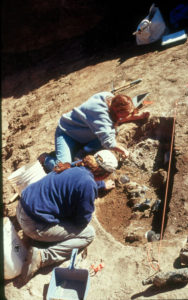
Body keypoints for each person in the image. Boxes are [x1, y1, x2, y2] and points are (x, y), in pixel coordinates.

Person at [16, 150, 118, 283]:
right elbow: (81, 221)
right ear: (105, 174)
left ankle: (41, 240)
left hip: (22, 206)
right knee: (88, 234)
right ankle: (43, 256)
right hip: (33, 225)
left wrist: (101, 185)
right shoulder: (88, 185)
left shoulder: (77, 164)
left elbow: (82, 180)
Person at [41, 91, 149, 172]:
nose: (130, 115)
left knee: (113, 131)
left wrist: (136, 116)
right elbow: (109, 143)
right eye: (127, 114)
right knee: (64, 170)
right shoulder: (100, 114)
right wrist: (124, 151)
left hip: (84, 132)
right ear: (116, 111)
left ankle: (81, 152)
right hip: (66, 134)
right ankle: (46, 159)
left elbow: (114, 119)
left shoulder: (110, 98)